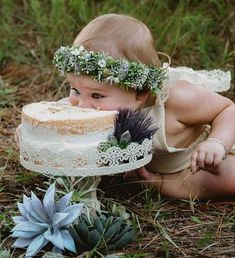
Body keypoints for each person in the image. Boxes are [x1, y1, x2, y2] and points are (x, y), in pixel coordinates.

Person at [16, 13, 235, 200]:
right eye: (74, 89)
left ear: (140, 92)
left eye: (97, 95)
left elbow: (227, 110)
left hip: (191, 163)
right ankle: (134, 176)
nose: (82, 105)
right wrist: (35, 132)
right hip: (138, 160)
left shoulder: (177, 99)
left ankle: (158, 183)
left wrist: (217, 143)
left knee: (229, 177)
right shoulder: (84, 101)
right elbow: (59, 114)